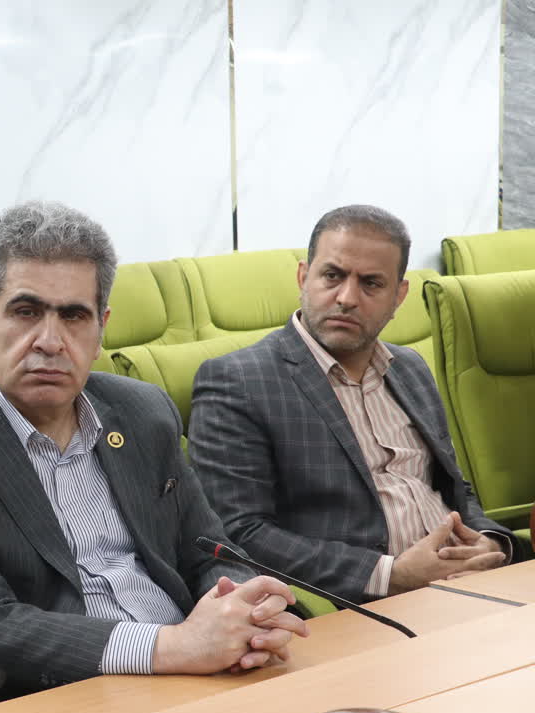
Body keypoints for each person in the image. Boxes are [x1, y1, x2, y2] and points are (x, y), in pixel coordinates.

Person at [0, 201, 308, 706]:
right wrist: (174, 647)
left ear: (101, 328)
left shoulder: (142, 412)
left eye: (74, 316)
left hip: (198, 676)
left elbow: (207, 549)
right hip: (50, 701)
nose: (50, 342)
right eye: (26, 312)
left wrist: (244, 613)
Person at [188, 205, 516, 604]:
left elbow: (452, 487)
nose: (346, 298)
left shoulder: (410, 367)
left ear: (398, 296)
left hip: (471, 585)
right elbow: (239, 533)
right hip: (368, 604)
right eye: (332, 276)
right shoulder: (238, 380)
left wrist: (490, 542)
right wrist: (389, 575)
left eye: (371, 283)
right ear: (303, 277)